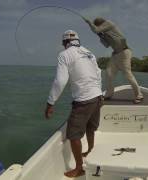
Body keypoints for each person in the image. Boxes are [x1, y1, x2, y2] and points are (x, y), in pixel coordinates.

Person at [44, 30, 103, 178]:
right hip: (98, 96)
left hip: (84, 100)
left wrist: (50, 103)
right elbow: (98, 73)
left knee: (73, 134)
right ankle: (90, 150)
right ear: (77, 40)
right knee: (91, 127)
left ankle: (79, 168)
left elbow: (60, 81)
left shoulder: (64, 55)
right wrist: (98, 91)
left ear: (65, 43)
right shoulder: (89, 53)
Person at [83, 17, 144, 103]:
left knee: (127, 74)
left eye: (98, 25)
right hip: (115, 54)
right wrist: (101, 36)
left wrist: (89, 23)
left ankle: (139, 95)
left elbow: (96, 30)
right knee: (109, 73)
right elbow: (107, 45)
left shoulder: (109, 23)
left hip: (124, 52)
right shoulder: (105, 31)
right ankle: (109, 94)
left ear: (100, 24)